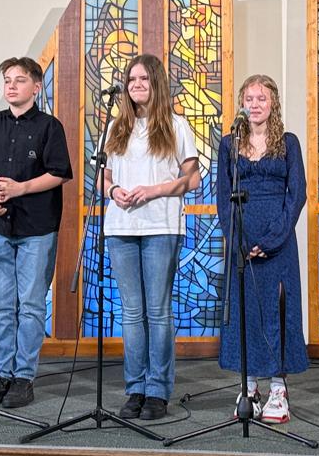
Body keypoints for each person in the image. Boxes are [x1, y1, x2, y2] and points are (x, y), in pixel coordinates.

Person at [104, 54, 200, 421]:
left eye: (143, 79)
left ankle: (157, 390)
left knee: (157, 311)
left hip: (161, 226)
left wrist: (154, 190)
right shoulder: (116, 127)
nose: (136, 85)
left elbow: (193, 178)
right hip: (121, 227)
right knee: (131, 313)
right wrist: (114, 192)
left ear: (157, 83)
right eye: (131, 79)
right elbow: (103, 178)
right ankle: (135, 388)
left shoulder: (176, 125)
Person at [0, 56, 73, 410]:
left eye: (19, 80)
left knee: (30, 305)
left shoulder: (49, 126)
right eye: (7, 80)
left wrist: (21, 189)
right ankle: (2, 373)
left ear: (36, 86)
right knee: (1, 305)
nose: (11, 86)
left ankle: (23, 377)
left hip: (37, 227)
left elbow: (59, 173)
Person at [215, 74, 308, 423]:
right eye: (249, 99)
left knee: (278, 311)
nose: (255, 105)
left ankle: (278, 389)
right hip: (241, 241)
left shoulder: (288, 143)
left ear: (273, 104)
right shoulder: (229, 144)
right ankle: (249, 387)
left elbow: (297, 195)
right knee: (246, 311)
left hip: (278, 242)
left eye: (261, 98)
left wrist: (272, 239)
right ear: (241, 103)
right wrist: (238, 241)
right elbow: (222, 197)